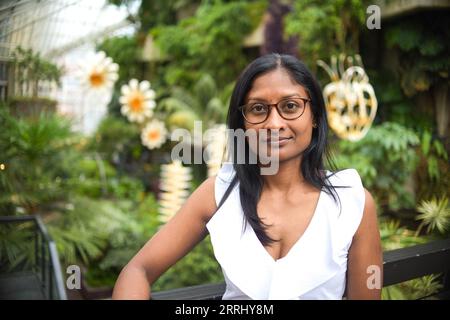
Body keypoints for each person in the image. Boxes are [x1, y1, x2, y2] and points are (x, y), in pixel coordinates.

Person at [112, 53, 383, 300]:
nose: (274, 124)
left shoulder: (352, 203)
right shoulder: (219, 194)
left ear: (314, 116)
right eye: (258, 109)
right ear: (242, 122)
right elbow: (138, 270)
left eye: (290, 106)